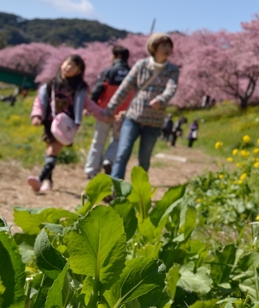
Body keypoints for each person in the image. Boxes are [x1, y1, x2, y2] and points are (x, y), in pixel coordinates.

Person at [27, 54, 110, 193]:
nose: (69, 67)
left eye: (73, 66)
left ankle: (40, 179)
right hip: (49, 122)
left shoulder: (80, 88)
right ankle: (48, 181)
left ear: (79, 71)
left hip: (66, 125)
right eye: (67, 63)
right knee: (50, 152)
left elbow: (88, 104)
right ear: (61, 64)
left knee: (53, 150)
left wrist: (103, 115)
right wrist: (37, 115)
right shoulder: (51, 84)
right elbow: (40, 102)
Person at [109, 32, 180, 181]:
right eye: (163, 45)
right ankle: (115, 191)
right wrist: (111, 108)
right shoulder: (141, 65)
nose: (167, 48)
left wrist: (162, 99)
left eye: (169, 45)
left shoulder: (173, 70)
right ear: (154, 47)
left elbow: (171, 88)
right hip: (133, 118)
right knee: (122, 153)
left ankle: (138, 194)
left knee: (144, 160)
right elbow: (125, 88)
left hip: (154, 122)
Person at [84, 45, 132, 179]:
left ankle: (92, 170)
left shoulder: (108, 71)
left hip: (104, 112)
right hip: (123, 114)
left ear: (116, 56)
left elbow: (98, 89)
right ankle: (109, 160)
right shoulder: (132, 73)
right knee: (117, 140)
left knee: (98, 141)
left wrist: (90, 107)